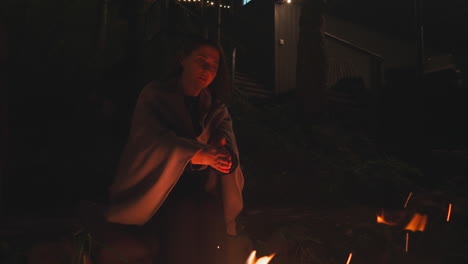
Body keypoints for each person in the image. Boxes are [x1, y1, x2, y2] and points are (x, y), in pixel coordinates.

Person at [104, 36, 245, 264]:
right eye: (202, 61)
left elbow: (226, 138)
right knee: (183, 213)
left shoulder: (215, 108)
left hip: (199, 189)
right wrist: (198, 154)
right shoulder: (156, 96)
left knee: (211, 213)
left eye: (214, 66)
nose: (207, 70)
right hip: (158, 190)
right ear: (183, 60)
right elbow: (151, 140)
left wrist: (224, 155)